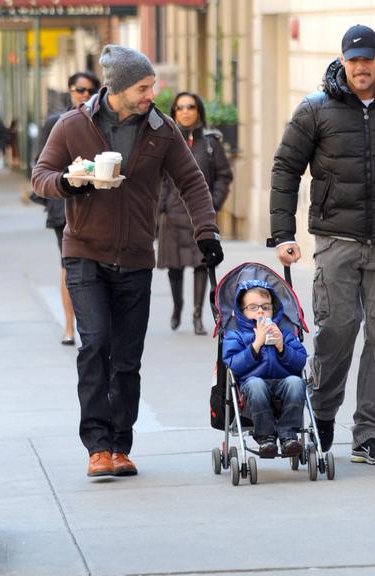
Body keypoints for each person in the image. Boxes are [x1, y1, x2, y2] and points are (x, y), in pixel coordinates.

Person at [32, 45, 224, 478]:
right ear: (116, 88)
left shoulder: (161, 128)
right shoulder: (72, 125)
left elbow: (192, 181)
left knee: (127, 359)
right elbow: (40, 176)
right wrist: (70, 183)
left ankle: (121, 446)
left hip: (137, 257)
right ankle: (97, 447)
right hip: (84, 252)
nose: (150, 93)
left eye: (152, 84)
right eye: (143, 86)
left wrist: (206, 232)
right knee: (96, 344)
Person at [270, 24, 375, 465]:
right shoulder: (315, 109)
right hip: (336, 239)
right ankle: (322, 412)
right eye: (354, 59)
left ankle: (370, 433)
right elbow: (285, 168)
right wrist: (284, 234)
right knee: (336, 331)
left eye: (368, 58)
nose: (361, 67)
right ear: (342, 61)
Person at [33, 71, 101, 345]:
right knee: (69, 265)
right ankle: (70, 327)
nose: (84, 94)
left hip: (96, 203)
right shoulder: (58, 122)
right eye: (78, 89)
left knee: (93, 266)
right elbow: (41, 165)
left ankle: (91, 326)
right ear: (70, 91)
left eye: (89, 90)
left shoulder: (101, 121)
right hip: (64, 205)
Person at [157, 91, 233, 335]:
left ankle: (198, 315)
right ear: (174, 113)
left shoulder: (211, 143)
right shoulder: (165, 140)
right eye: (180, 108)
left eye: (191, 106)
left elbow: (224, 176)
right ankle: (178, 307)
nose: (186, 111)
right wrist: (161, 205)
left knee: (201, 264)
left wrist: (213, 203)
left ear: (198, 110)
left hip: (199, 215)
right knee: (175, 266)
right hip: (171, 215)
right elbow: (156, 177)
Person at [222, 280, 308, 458]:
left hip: (283, 386)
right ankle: (266, 436)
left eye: (265, 306)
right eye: (253, 307)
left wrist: (282, 347)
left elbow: (300, 362)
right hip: (252, 389)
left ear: (273, 310)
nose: (260, 311)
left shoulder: (283, 333)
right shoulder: (236, 336)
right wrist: (255, 346)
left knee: (296, 382)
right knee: (256, 384)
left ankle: (288, 435)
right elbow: (233, 365)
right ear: (242, 312)